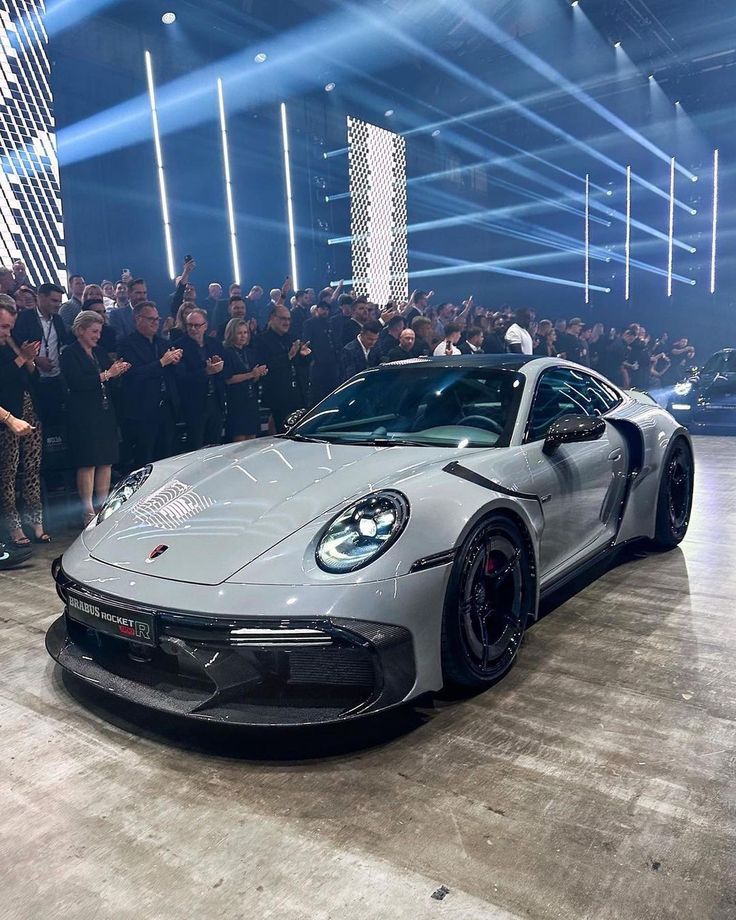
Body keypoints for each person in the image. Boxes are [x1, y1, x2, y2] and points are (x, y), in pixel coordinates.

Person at [61, 311, 130, 527]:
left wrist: (117, 372)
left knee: (105, 460)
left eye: (99, 331)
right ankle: (87, 509)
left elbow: (108, 379)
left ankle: (102, 505)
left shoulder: (99, 352)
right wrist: (108, 374)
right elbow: (77, 382)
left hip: (104, 411)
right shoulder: (69, 353)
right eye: (93, 331)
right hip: (83, 413)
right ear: (80, 330)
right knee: (88, 462)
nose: (97, 336)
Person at [0, 296, 48, 546]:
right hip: (7, 416)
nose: (6, 331)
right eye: (3, 326)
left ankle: (36, 522)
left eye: (9, 326)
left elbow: (33, 376)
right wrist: (21, 359)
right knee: (8, 472)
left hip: (29, 410)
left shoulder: (12, 342)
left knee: (32, 469)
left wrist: (28, 358)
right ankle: (13, 527)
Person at [118, 301, 183, 468]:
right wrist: (161, 362)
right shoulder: (126, 344)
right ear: (138, 319)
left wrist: (176, 363)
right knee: (145, 458)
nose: (156, 323)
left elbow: (173, 374)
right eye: (151, 319)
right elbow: (133, 374)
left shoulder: (163, 343)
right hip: (143, 409)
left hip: (166, 407)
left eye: (157, 319)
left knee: (167, 456)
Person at [13, 282, 68, 426]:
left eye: (60, 302)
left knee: (56, 419)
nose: (57, 305)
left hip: (55, 377)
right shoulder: (24, 318)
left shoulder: (58, 319)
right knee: (37, 420)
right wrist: (36, 360)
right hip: (33, 378)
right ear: (41, 297)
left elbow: (65, 341)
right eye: (54, 300)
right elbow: (16, 345)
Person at [254, 304, 311, 432]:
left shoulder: (292, 338)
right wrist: (288, 356)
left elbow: (302, 365)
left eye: (288, 319)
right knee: (283, 433)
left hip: (297, 393)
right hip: (277, 395)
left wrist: (304, 355)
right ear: (272, 318)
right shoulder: (261, 340)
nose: (286, 322)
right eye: (283, 319)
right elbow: (265, 366)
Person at [178, 308, 226, 450]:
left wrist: (219, 369)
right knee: (195, 446)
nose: (193, 329)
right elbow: (180, 377)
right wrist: (206, 371)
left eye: (197, 325)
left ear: (205, 326)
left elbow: (224, 372)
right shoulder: (179, 346)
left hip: (215, 401)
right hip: (194, 403)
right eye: (190, 325)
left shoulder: (215, 344)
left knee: (214, 445)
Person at [222, 319, 268, 442]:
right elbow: (228, 379)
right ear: (231, 333)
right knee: (240, 438)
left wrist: (258, 373)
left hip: (251, 399)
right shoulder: (227, 353)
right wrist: (251, 374)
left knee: (252, 437)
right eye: (239, 333)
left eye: (245, 332)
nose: (243, 336)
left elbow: (253, 377)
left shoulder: (249, 352)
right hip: (236, 401)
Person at [302, 299, 337, 407]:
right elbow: (307, 341)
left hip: (331, 361)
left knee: (331, 388)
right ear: (317, 309)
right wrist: (313, 357)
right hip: (317, 361)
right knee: (316, 390)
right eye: (322, 309)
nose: (325, 311)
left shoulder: (330, 323)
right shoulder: (310, 323)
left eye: (327, 309)